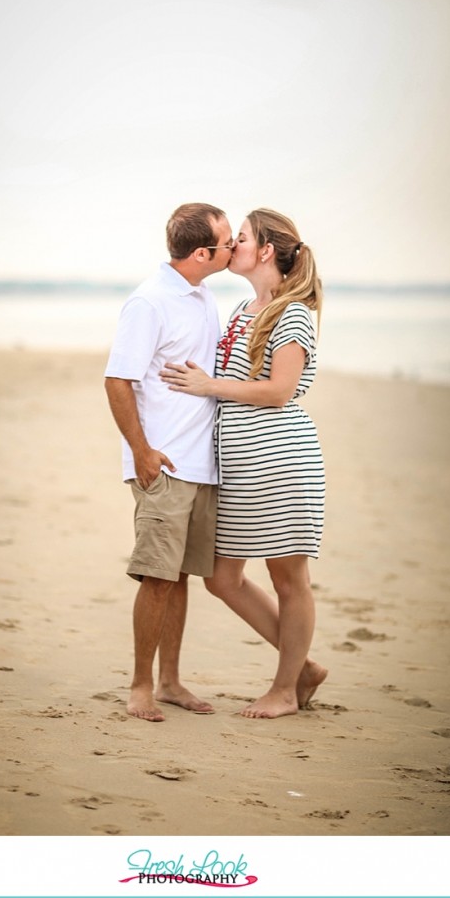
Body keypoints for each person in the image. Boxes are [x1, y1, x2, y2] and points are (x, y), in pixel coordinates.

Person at [160, 208, 327, 719]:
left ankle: (284, 690)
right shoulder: (241, 308)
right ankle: (304, 668)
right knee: (222, 578)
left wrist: (209, 386)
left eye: (243, 238)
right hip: (237, 466)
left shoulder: (291, 312)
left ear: (267, 251)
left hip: (281, 462)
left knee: (288, 579)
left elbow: (279, 391)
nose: (234, 245)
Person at [104, 202, 234, 722]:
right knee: (157, 577)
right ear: (202, 252)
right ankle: (140, 686)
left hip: (203, 465)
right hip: (165, 465)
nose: (234, 248)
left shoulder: (203, 296)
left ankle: (171, 682)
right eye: (227, 242)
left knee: (179, 577)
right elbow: (117, 380)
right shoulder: (150, 302)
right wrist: (141, 453)